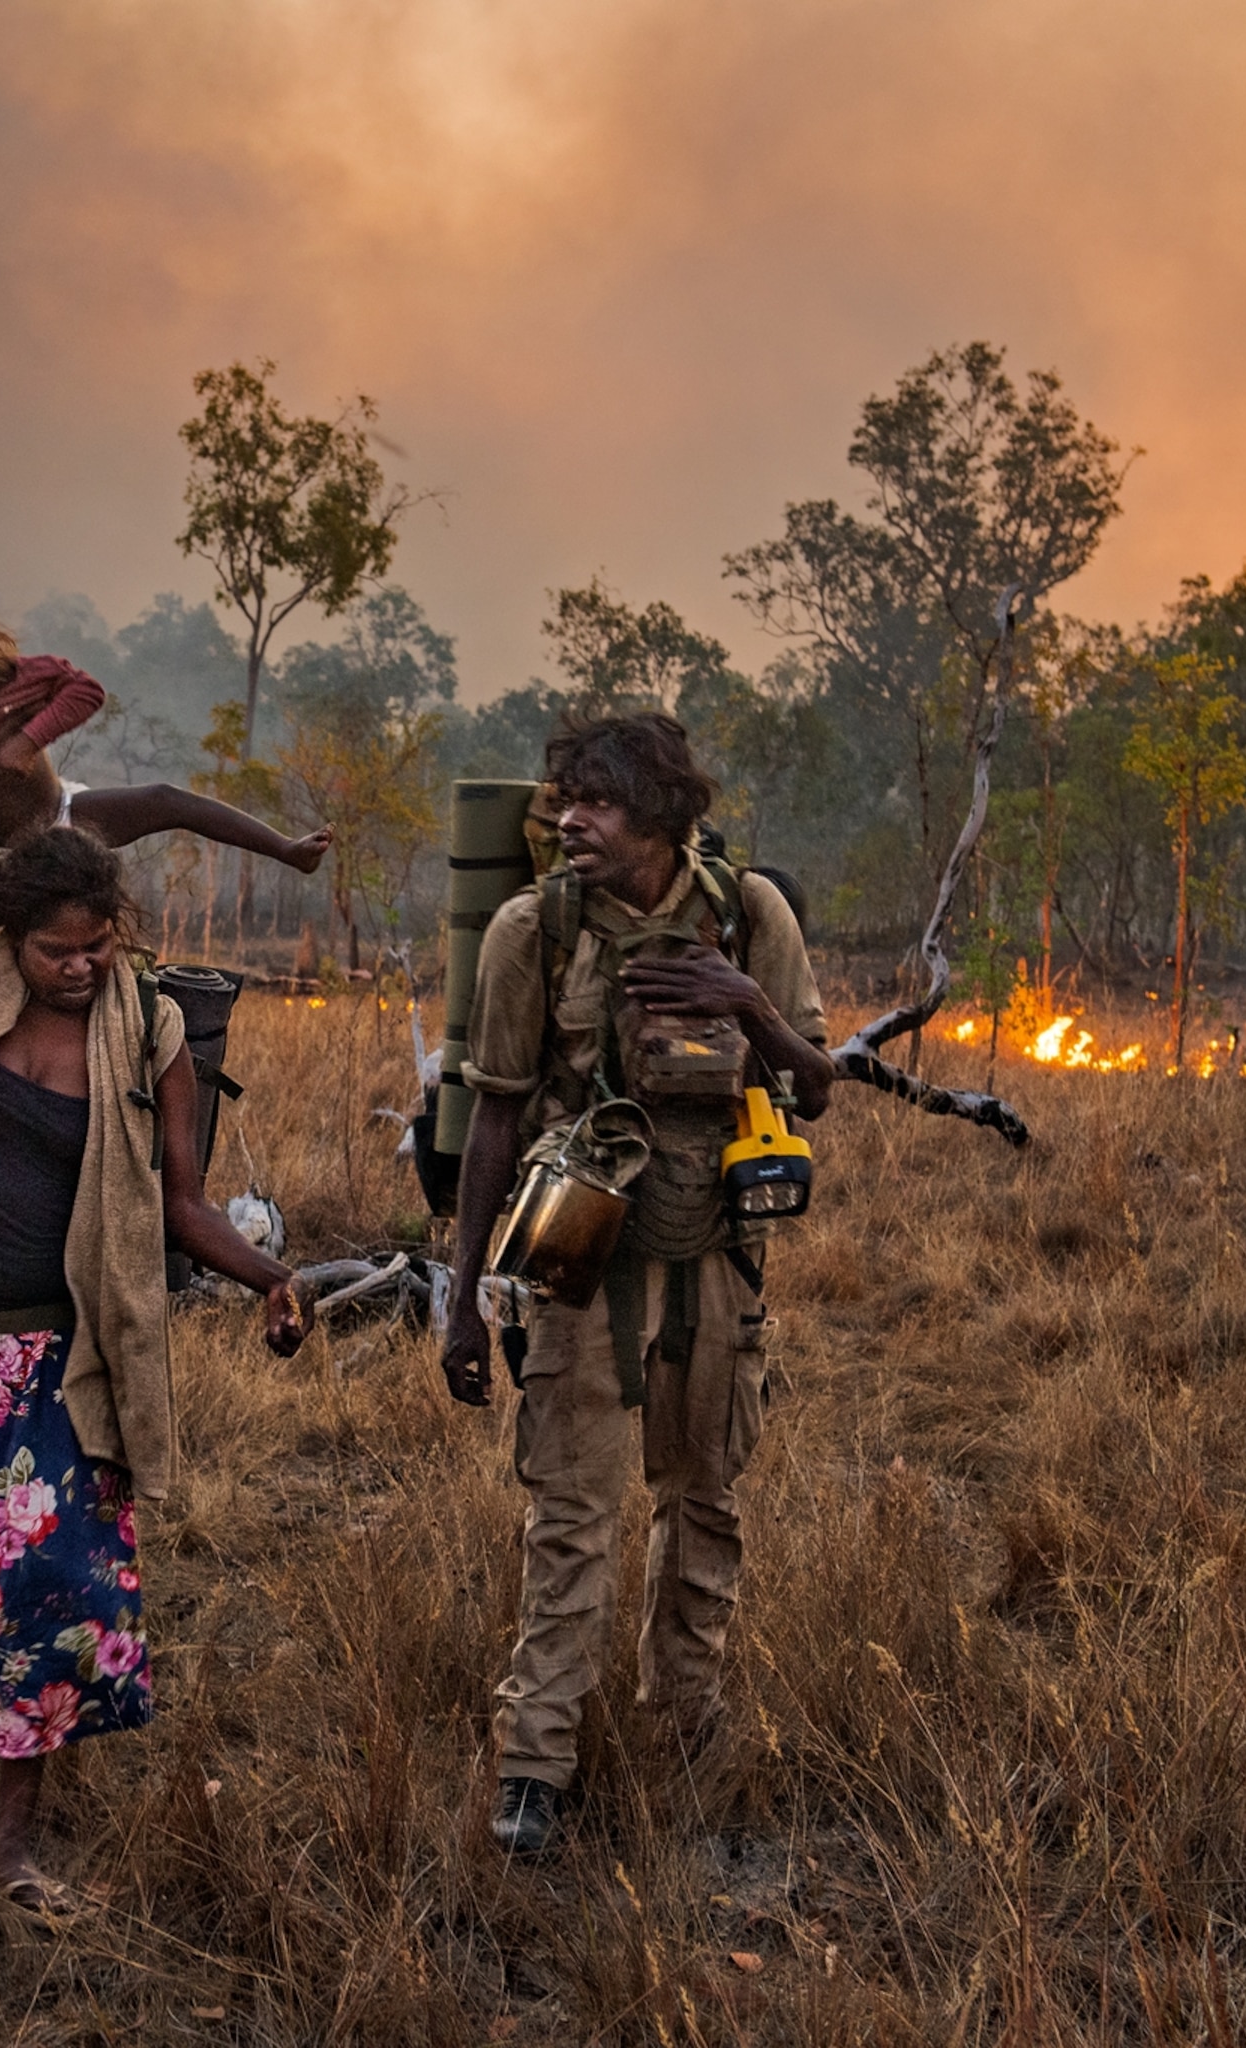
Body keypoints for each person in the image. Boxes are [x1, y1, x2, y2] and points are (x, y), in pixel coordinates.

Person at [0, 803, 306, 1913]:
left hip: (47, 1357)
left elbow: (181, 1202)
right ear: (10, 935)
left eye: (97, 944)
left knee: (52, 1584)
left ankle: (16, 1834)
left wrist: (272, 1278)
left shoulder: (149, 1032)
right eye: (57, 947)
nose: (78, 965)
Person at [436, 712, 841, 1859]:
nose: (570, 818)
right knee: (570, 1513)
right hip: (578, 1258)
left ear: (664, 815)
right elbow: (497, 1110)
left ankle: (686, 1734)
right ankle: (535, 1764)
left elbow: (815, 1086)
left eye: (599, 802)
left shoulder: (750, 915)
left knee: (704, 1502)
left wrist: (742, 999)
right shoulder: (534, 926)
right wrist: (462, 1295)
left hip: (712, 1253)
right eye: (564, 796)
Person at [0, 598, 333, 876]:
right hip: (2, 862)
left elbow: (84, 689)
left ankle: (286, 849)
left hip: (67, 816)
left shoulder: (14, 678)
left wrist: (29, 739)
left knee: (165, 799)